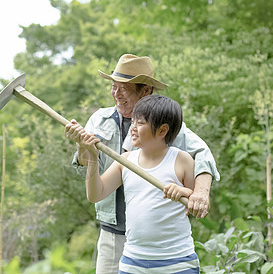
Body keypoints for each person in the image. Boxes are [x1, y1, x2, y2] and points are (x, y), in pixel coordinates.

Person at [65, 54, 220, 273]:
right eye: (113, 86)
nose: (116, 94)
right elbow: (86, 162)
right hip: (115, 234)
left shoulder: (167, 124)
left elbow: (203, 154)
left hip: (166, 248)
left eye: (124, 88)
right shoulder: (99, 119)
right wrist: (83, 148)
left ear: (145, 90)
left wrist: (200, 193)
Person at [78, 94, 206, 273]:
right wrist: (92, 157)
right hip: (133, 263)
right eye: (133, 123)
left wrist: (183, 191)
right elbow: (95, 195)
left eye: (140, 123)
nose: (133, 129)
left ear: (162, 131)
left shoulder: (182, 160)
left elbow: (197, 206)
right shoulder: (125, 161)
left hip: (177, 262)